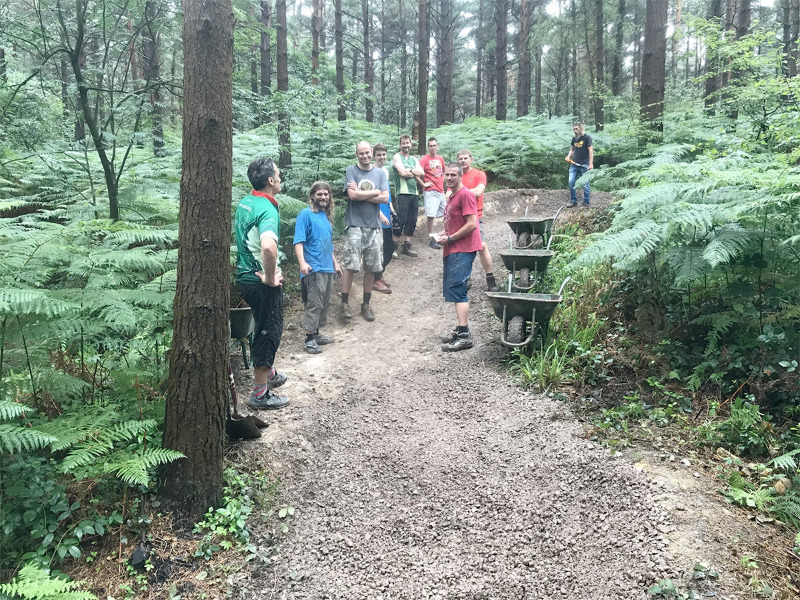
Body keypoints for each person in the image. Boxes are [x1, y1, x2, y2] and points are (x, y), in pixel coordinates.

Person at [234, 157, 290, 410]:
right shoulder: (267, 208)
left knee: (262, 325)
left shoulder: (246, 202)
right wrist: (268, 278)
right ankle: (260, 394)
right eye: (278, 174)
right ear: (270, 180)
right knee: (269, 331)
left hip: (245, 277)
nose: (280, 178)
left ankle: (270, 373)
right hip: (260, 282)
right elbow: (268, 246)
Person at [434, 163, 483, 352]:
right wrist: (443, 234)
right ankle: (461, 330)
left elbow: (472, 224)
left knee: (459, 289)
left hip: (463, 248)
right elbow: (456, 222)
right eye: (447, 174)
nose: (449, 178)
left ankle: (464, 336)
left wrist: (451, 238)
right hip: (453, 247)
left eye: (453, 175)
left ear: (460, 176)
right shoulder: (452, 196)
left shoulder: (465, 195)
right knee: (454, 289)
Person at [341, 140, 390, 322]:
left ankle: (366, 304)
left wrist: (362, 195)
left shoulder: (380, 173)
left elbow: (385, 198)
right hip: (354, 223)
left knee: (372, 266)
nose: (365, 156)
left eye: (367, 153)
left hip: (374, 225)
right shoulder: (351, 170)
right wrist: (375, 192)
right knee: (351, 264)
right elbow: (352, 196)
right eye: (361, 153)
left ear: (371, 152)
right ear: (357, 154)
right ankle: (344, 303)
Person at [293, 181, 343, 354]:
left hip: (327, 268)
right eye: (319, 194)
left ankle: (316, 334)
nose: (323, 197)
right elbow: (299, 241)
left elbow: (328, 245)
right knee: (314, 304)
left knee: (324, 304)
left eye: (326, 194)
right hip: (313, 268)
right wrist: (302, 263)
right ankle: (309, 339)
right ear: (312, 196)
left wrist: (335, 263)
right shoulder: (305, 215)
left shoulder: (326, 218)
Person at [456, 149, 500, 292]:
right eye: (460, 159)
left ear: (471, 159)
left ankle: (490, 278)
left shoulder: (479, 174)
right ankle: (465, 278)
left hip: (475, 216)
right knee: (461, 248)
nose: (463, 161)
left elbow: (479, 192)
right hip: (459, 217)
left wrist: (459, 193)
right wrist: (467, 193)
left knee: (482, 246)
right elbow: (448, 195)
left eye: (465, 158)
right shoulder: (456, 175)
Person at [391, 134, 424, 257]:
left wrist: (409, 171)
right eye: (403, 143)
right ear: (400, 144)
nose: (405, 145)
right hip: (402, 193)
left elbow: (422, 172)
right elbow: (402, 173)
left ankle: (407, 246)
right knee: (400, 219)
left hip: (414, 193)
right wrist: (414, 172)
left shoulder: (414, 159)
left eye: (407, 143)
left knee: (412, 219)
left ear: (411, 144)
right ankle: (394, 247)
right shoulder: (397, 157)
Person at [371, 143, 395, 295]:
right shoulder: (372, 173)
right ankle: (375, 279)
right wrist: (380, 214)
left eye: (384, 154)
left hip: (386, 213)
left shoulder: (384, 171)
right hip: (376, 216)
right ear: (374, 156)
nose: (382, 157)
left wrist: (392, 209)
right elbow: (372, 197)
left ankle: (378, 274)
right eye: (379, 155)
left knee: (388, 248)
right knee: (379, 248)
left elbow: (387, 193)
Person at [419, 137, 447, 249]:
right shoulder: (424, 159)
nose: (432, 148)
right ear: (428, 147)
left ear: (437, 146)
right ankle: (432, 239)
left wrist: (443, 180)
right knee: (431, 215)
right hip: (430, 191)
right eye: (430, 146)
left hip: (441, 190)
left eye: (434, 145)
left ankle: (447, 236)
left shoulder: (440, 159)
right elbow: (416, 172)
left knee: (447, 212)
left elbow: (444, 170)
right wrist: (423, 183)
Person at [566, 122, 593, 207]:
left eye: (576, 128)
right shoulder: (574, 139)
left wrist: (590, 164)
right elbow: (572, 149)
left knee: (585, 184)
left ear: (581, 128)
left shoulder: (587, 138)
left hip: (584, 164)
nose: (575, 130)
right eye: (574, 129)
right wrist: (568, 156)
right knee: (571, 182)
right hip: (574, 164)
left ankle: (586, 202)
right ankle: (573, 201)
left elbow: (590, 150)